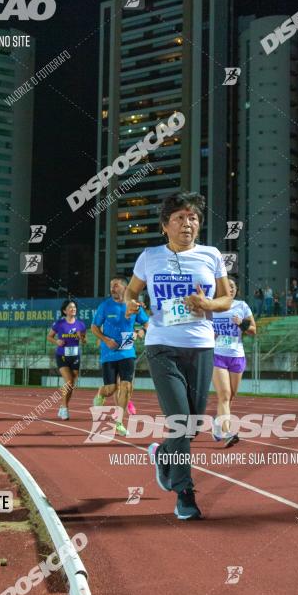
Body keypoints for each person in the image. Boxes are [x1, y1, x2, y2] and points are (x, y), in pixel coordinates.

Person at [125, 192, 232, 521]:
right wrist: (132, 302)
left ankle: (163, 457)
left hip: (200, 345)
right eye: (180, 218)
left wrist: (207, 305)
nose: (188, 223)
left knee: (193, 422)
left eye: (194, 218)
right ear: (165, 226)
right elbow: (132, 290)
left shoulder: (211, 255)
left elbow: (226, 298)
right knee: (180, 421)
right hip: (162, 345)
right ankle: (184, 493)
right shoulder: (149, 256)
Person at [90, 277, 149, 436]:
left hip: (127, 352)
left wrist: (140, 332)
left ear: (125, 287)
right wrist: (106, 339)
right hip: (109, 353)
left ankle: (119, 423)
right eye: (111, 286)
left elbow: (147, 323)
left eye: (115, 286)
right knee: (111, 389)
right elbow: (94, 327)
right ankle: (101, 393)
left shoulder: (134, 305)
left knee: (127, 387)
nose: (112, 289)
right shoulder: (105, 306)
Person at [211, 277, 256, 447]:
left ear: (236, 290)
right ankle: (227, 432)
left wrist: (241, 323)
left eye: (233, 286)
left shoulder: (242, 306)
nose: (230, 288)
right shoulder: (212, 306)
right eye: (227, 285)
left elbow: (253, 330)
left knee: (230, 397)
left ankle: (217, 425)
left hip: (237, 356)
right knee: (224, 395)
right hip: (217, 356)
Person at [47, 300, 86, 420]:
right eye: (70, 307)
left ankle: (63, 406)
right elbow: (49, 337)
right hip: (62, 356)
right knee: (68, 382)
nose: (73, 309)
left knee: (71, 384)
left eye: (74, 307)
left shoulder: (81, 325)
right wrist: (57, 341)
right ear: (64, 311)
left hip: (75, 356)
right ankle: (64, 408)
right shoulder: (59, 323)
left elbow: (84, 341)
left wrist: (82, 338)